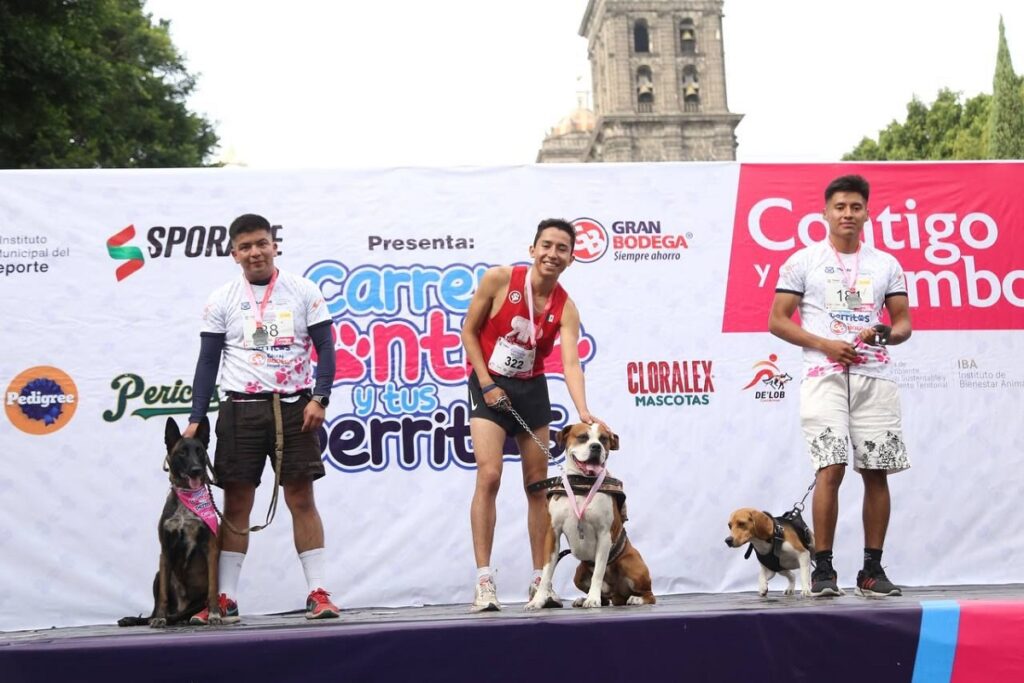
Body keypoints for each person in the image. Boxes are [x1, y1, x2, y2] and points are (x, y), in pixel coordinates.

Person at [183, 213, 340, 622]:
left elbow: (327, 347)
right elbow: (207, 362)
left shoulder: (303, 290)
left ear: (274, 246)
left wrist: (320, 398)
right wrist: (196, 418)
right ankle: (225, 599)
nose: (255, 252)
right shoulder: (221, 300)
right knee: (236, 503)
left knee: (301, 499)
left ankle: (318, 593)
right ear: (234, 253)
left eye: (262, 243)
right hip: (240, 410)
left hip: (294, 408)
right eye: (246, 246)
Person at [769, 175, 912, 598]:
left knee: (875, 471)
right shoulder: (802, 261)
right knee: (830, 467)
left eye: (855, 207)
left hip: (875, 378)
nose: (847, 213)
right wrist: (824, 344)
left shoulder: (886, 264)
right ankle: (824, 570)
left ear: (867, 212)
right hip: (823, 377)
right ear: (825, 213)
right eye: (840, 207)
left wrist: (882, 333)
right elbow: (777, 320)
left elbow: (903, 324)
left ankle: (871, 570)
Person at [461, 218, 603, 612]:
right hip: (489, 384)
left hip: (531, 389)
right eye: (546, 245)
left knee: (537, 486)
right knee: (489, 476)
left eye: (561, 249)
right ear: (532, 249)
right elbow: (469, 331)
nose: (552, 254)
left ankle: (541, 580)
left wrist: (584, 410)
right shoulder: (500, 279)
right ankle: (484, 580)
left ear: (571, 259)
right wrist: (487, 383)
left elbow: (571, 362)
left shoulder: (566, 307)